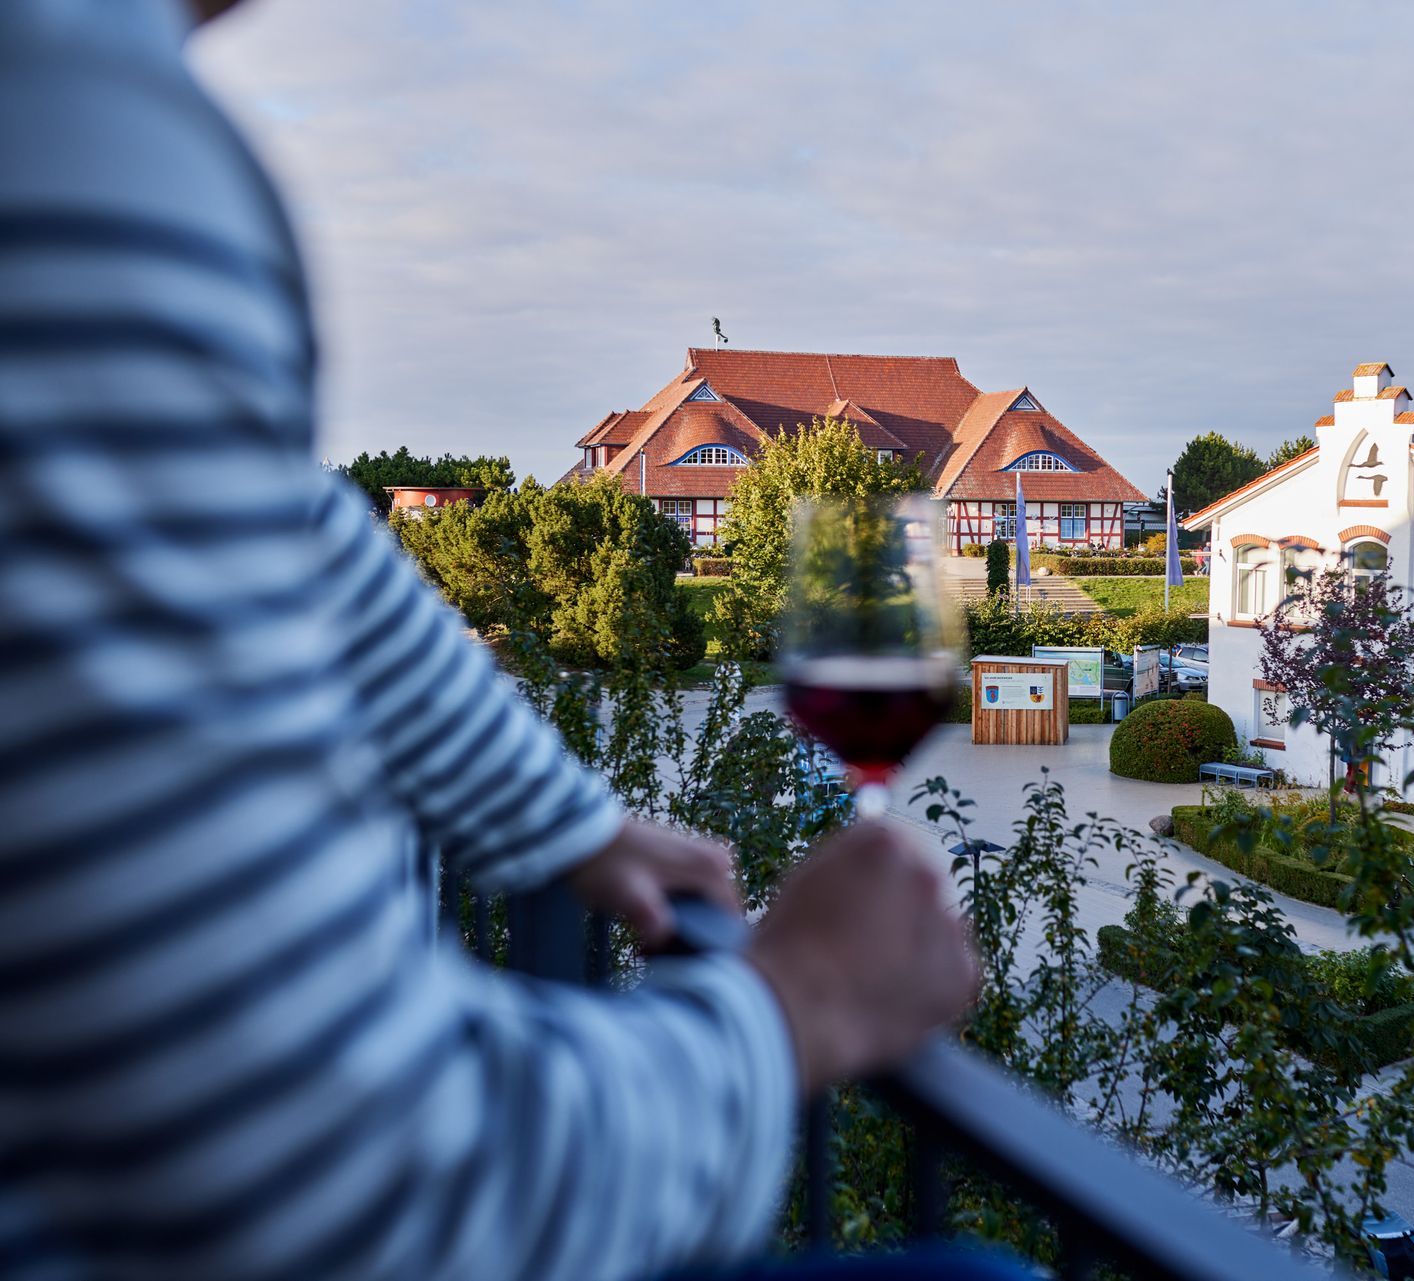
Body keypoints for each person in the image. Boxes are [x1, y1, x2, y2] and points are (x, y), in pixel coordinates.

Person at [0, 4, 975, 1279]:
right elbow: (346, 1185)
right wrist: (796, 1007)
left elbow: (299, 534)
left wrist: (563, 822)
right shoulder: (78, 131)